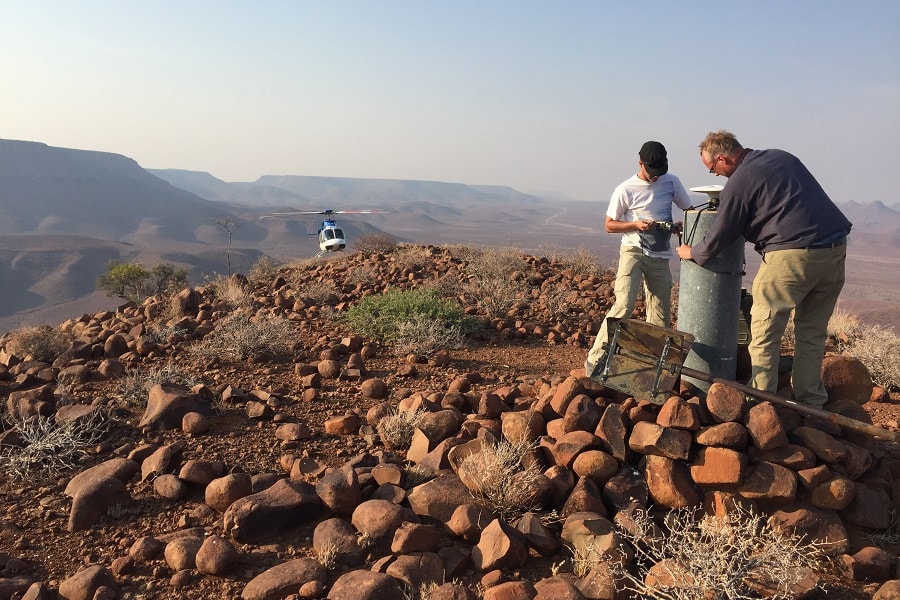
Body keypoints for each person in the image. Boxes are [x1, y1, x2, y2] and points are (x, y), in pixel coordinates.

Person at [676, 130, 852, 408]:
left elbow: (719, 235)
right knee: (812, 332)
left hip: (791, 255)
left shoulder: (740, 181)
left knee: (765, 329)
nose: (717, 175)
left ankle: (760, 401)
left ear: (723, 158)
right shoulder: (781, 157)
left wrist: (692, 253)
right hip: (834, 251)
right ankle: (811, 403)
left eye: (713, 169)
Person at [585, 141, 692, 377]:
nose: (655, 178)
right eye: (651, 172)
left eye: (659, 172)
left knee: (660, 313)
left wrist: (677, 227)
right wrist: (635, 224)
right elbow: (609, 225)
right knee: (624, 304)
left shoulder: (671, 181)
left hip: (660, 254)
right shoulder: (625, 189)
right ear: (640, 163)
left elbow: (690, 210)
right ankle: (596, 358)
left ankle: (652, 367)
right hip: (633, 250)